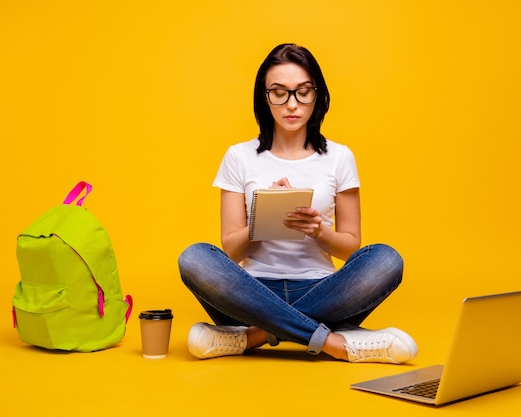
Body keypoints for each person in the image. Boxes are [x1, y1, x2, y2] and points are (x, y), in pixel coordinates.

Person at [178, 43, 417, 363]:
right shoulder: (239, 156)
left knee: (387, 260)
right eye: (279, 92)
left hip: (325, 293)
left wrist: (319, 231)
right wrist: (263, 220)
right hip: (249, 296)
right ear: (265, 97)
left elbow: (350, 249)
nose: (292, 104)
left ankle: (255, 336)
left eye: (303, 91)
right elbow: (230, 253)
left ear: (317, 94)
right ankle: (334, 342)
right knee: (194, 257)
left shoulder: (340, 157)